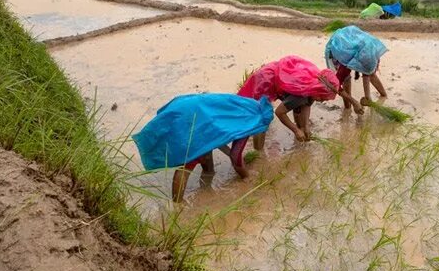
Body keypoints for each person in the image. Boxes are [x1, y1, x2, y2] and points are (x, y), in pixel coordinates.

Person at [133, 93, 273, 202]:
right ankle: (177, 205)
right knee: (188, 162)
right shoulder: (249, 123)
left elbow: (220, 134)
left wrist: (229, 153)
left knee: (204, 150)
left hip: (187, 106)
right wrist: (246, 177)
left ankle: (206, 183)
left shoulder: (243, 105)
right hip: (194, 118)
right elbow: (236, 157)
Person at [237, 55, 357, 149]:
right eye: (323, 98)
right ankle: (259, 152)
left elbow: (307, 105)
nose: (322, 101)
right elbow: (279, 112)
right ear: (319, 92)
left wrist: (306, 127)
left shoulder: (314, 89)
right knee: (261, 117)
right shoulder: (301, 95)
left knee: (296, 111)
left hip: (283, 77)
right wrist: (295, 130)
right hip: (266, 79)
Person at [324, 25, 389, 107]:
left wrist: (368, 97)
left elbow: (367, 73)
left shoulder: (372, 51)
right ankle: (347, 107)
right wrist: (354, 102)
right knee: (346, 79)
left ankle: (384, 95)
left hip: (353, 39)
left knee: (371, 72)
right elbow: (335, 85)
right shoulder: (344, 63)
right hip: (338, 46)